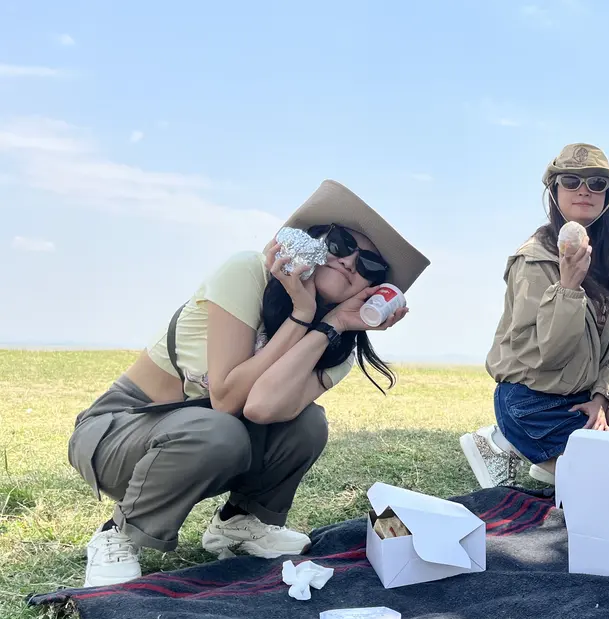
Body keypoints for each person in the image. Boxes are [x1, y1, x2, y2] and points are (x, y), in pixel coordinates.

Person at [68, 180, 428, 587]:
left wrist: (327, 325)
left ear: (375, 289)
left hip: (204, 436)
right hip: (121, 430)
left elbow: (262, 407)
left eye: (370, 266)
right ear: (315, 240)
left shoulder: (339, 339)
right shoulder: (247, 272)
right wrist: (301, 313)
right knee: (219, 430)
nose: (348, 262)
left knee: (308, 423)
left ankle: (240, 522)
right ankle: (119, 533)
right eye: (342, 243)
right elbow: (226, 398)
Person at [461, 143, 609, 488]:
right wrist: (568, 288)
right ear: (554, 192)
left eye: (597, 183)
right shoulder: (534, 261)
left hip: (582, 397)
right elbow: (546, 355)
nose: (584, 190)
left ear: (608, 197)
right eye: (570, 181)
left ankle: (548, 462)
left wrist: (600, 398)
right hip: (533, 400)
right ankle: (503, 442)